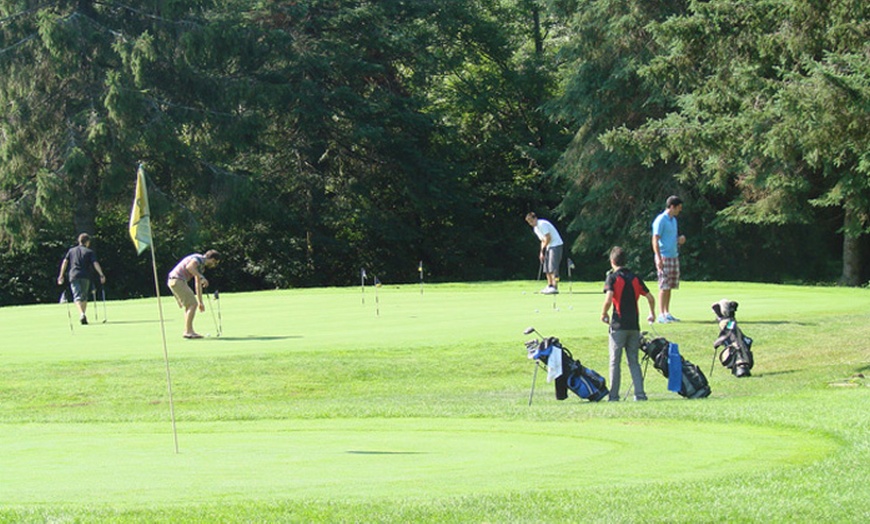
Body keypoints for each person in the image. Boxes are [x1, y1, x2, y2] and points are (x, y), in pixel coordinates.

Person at [601, 246, 656, 402]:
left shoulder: (612, 277)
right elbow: (650, 298)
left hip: (618, 325)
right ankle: (640, 394)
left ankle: (613, 396)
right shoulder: (635, 277)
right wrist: (652, 313)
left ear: (612, 261)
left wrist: (603, 313)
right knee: (633, 362)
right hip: (634, 325)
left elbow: (609, 299)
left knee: (614, 362)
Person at [167, 250, 221, 339]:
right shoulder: (199, 259)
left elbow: (198, 283)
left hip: (176, 281)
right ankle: (188, 331)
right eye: (214, 262)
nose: (214, 265)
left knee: (190, 305)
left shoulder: (201, 267)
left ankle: (188, 330)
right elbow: (189, 267)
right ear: (210, 258)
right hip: (177, 280)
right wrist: (202, 277)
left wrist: (200, 302)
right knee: (192, 304)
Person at [57, 233, 106, 325]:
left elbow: (65, 262)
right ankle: (82, 315)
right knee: (83, 296)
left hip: (74, 275)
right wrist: (101, 274)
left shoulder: (71, 251)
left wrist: (61, 275)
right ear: (87, 242)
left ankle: (82, 314)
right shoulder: (89, 252)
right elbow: (95, 263)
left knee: (77, 296)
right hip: (85, 276)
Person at [651, 195, 686, 323]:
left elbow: (671, 238)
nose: (679, 210)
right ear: (672, 207)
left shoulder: (673, 220)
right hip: (663, 256)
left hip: (673, 256)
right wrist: (658, 258)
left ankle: (667, 312)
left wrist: (679, 240)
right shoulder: (660, 220)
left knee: (670, 285)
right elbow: (655, 240)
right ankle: (661, 315)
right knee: (663, 285)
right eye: (678, 208)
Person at [525, 212, 564, 294]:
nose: (531, 224)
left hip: (556, 245)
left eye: (532, 221)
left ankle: (554, 287)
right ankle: (550, 286)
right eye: (529, 222)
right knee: (546, 267)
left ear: (535, 218)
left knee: (553, 267)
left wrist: (544, 247)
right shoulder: (536, 229)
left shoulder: (542, 224)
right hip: (549, 246)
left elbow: (548, 238)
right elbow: (543, 240)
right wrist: (541, 252)